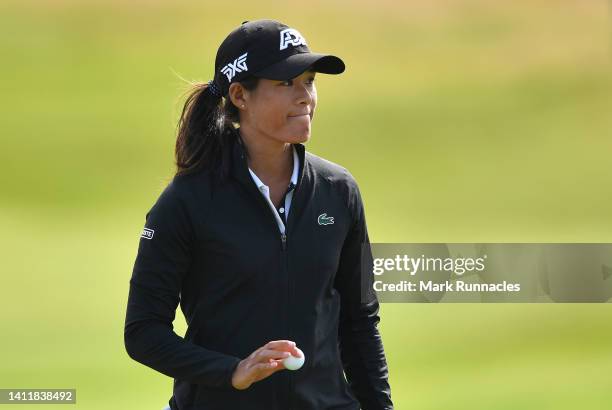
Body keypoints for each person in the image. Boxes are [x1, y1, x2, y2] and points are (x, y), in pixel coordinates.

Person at [124, 19, 393, 410]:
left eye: (309, 80)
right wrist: (231, 371)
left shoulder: (338, 191)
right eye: (286, 83)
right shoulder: (187, 201)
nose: (305, 96)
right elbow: (143, 332)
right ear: (239, 95)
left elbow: (359, 321)